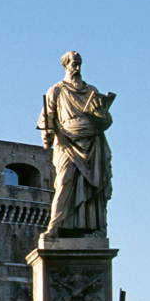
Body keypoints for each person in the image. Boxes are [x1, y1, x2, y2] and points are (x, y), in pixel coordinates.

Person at [37, 51, 115, 239]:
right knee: (65, 181)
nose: (77, 68)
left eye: (79, 64)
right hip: (67, 142)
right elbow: (45, 119)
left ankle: (92, 227)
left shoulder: (92, 91)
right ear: (66, 66)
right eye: (74, 64)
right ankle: (55, 226)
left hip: (92, 142)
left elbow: (106, 121)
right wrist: (47, 135)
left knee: (90, 186)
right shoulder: (56, 90)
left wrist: (102, 114)